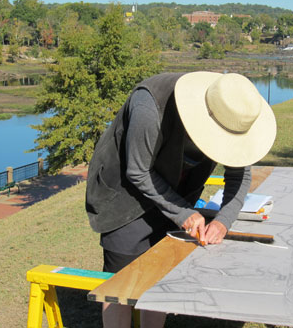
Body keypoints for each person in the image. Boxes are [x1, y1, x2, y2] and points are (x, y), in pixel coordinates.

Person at [85, 71, 276, 328]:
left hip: (176, 192)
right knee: (120, 284)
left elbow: (239, 176)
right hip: (124, 193)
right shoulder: (150, 104)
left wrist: (223, 221)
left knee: (161, 273)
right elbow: (138, 171)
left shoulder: (231, 111)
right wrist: (183, 213)